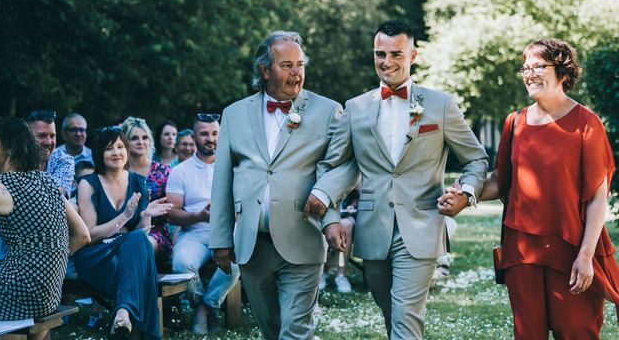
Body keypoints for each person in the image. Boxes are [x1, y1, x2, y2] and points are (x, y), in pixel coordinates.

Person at [305, 20, 488, 339]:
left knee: (405, 316)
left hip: (422, 224)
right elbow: (332, 166)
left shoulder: (440, 105)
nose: (386, 61)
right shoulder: (355, 108)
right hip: (372, 229)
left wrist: (467, 192)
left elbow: (476, 158)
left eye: (396, 54)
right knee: (391, 312)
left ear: (413, 55)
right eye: (380, 54)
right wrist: (331, 219)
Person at [452, 38, 619, 339]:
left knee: (576, 331)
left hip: (569, 248)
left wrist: (585, 255)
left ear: (563, 73)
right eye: (525, 68)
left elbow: (597, 196)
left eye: (538, 66)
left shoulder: (587, 123)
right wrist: (465, 196)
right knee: (527, 333)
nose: (529, 74)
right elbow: (500, 181)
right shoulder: (514, 123)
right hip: (521, 249)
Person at [209, 31, 351, 340]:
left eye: (300, 64)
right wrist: (220, 237)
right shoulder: (234, 114)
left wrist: (327, 203)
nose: (296, 72)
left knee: (295, 331)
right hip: (252, 244)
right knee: (272, 330)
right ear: (264, 70)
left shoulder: (328, 111)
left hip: (303, 236)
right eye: (286, 65)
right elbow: (223, 180)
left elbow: (345, 165)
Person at [0, 117, 89, 333]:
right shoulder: (46, 181)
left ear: (10, 147)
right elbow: (82, 235)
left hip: (16, 293)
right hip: (49, 296)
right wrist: (49, 262)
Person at [74, 127, 172, 339]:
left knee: (139, 241)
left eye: (120, 147)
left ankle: (123, 314)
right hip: (96, 255)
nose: (116, 152)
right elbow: (89, 235)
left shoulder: (138, 181)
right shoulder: (88, 184)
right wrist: (124, 217)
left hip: (125, 253)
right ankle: (132, 321)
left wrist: (146, 215)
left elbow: (138, 235)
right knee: (140, 266)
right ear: (100, 153)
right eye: (109, 148)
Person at [166, 114, 240, 334]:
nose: (210, 138)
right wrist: (199, 215)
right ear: (194, 136)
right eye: (204, 133)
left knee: (239, 261)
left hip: (229, 231)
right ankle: (202, 304)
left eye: (215, 133)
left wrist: (230, 215)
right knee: (182, 264)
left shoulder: (236, 168)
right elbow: (172, 214)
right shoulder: (180, 171)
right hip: (194, 233)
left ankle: (206, 309)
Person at [121, 117, 173, 262]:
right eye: (134, 138)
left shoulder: (163, 171)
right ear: (125, 141)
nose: (141, 142)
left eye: (145, 137)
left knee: (141, 244)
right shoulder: (117, 172)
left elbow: (172, 209)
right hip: (121, 229)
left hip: (155, 233)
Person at [25, 109, 75, 197]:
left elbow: (55, 198)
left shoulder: (63, 160)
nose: (49, 142)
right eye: (42, 136)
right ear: (26, 137)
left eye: (52, 136)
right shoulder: (15, 158)